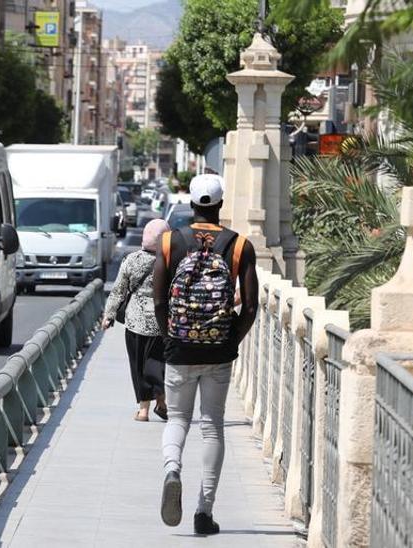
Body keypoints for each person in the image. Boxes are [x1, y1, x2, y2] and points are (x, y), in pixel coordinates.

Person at [152, 173, 257, 535]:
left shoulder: (169, 242)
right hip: (219, 349)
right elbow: (252, 307)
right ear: (220, 205)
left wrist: (171, 337)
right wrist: (231, 341)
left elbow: (160, 299)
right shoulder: (239, 245)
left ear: (192, 204)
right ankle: (203, 511)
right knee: (212, 425)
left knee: (178, 419)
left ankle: (171, 470)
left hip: (179, 347)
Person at [102, 219, 171, 422]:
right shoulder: (169, 262)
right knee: (157, 364)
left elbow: (118, 291)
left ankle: (143, 410)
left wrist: (109, 315)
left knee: (138, 365)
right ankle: (161, 400)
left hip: (135, 322)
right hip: (161, 323)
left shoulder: (131, 260)